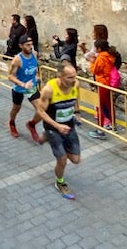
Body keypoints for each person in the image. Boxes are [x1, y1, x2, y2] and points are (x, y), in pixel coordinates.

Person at [36, 63, 81, 200]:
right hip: (53, 128)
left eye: (74, 76)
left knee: (76, 159)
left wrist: (77, 113)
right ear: (60, 77)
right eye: (69, 77)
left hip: (69, 126)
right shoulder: (49, 90)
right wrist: (57, 126)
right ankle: (60, 182)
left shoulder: (75, 85)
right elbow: (40, 111)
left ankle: (48, 140)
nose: (73, 80)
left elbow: (75, 99)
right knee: (62, 160)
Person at [8, 35, 42, 142]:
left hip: (31, 87)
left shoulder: (34, 54)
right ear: (21, 46)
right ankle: (12, 123)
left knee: (42, 110)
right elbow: (10, 76)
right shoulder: (17, 60)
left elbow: (35, 68)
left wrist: (37, 77)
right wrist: (23, 84)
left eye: (31, 44)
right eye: (27, 45)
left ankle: (31, 125)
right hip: (19, 88)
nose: (30, 47)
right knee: (16, 108)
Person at [87, 39, 116, 139]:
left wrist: (91, 62)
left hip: (102, 83)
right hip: (108, 82)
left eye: (95, 47)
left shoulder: (101, 58)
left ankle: (100, 130)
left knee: (100, 106)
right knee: (108, 104)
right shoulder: (109, 56)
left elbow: (95, 70)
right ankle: (112, 124)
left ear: (99, 48)